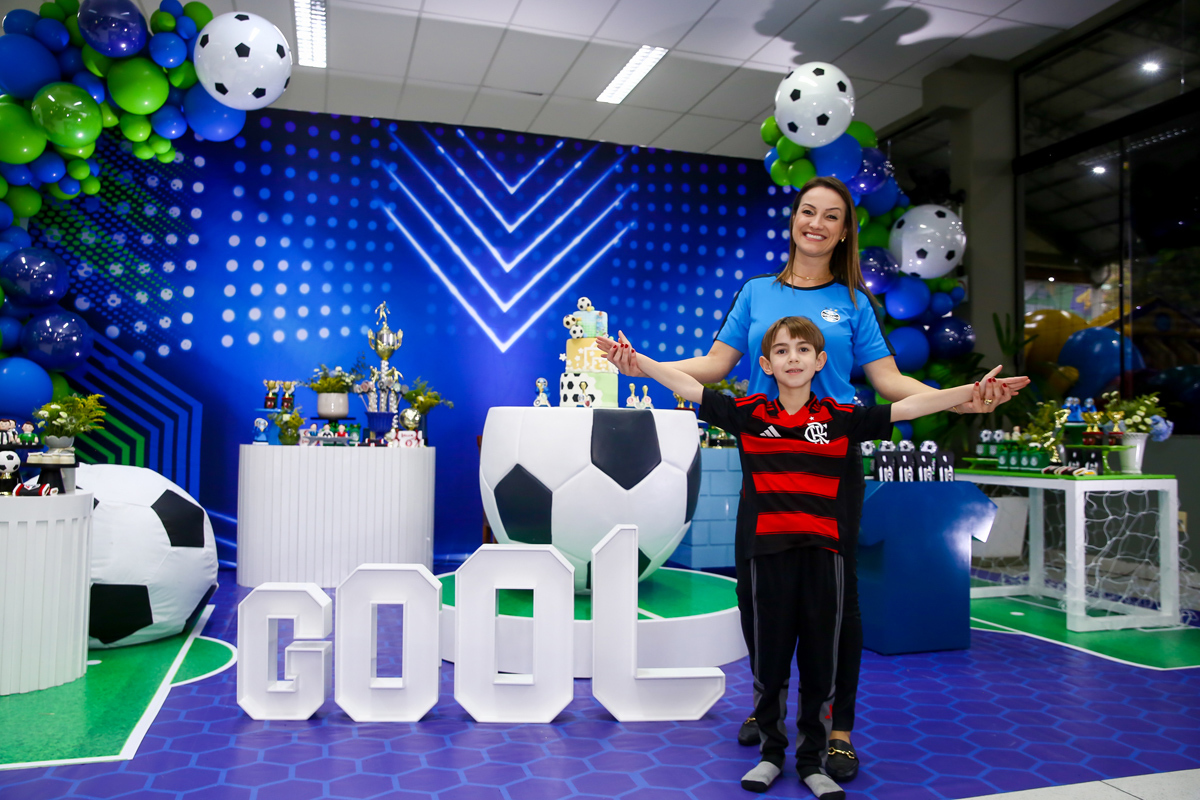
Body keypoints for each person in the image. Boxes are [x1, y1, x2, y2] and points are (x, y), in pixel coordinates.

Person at [599, 175, 1020, 782]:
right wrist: (641, 365)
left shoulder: (854, 303)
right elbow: (714, 367)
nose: (816, 223)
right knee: (755, 591)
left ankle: (837, 729)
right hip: (768, 454)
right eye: (807, 211)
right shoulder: (755, 292)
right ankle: (767, 707)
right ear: (794, 219)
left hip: (832, 459)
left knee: (837, 600)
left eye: (831, 216)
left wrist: (962, 396)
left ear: (845, 231)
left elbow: (890, 385)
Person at [622, 315, 1028, 798]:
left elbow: (909, 405)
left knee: (821, 662)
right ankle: (772, 755)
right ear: (766, 365)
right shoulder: (749, 413)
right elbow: (690, 387)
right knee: (769, 662)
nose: (792, 358)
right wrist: (640, 362)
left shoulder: (841, 417)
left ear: (820, 361)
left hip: (825, 558)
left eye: (802, 350)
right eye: (781, 351)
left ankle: (811, 760)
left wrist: (969, 392)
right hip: (767, 557)